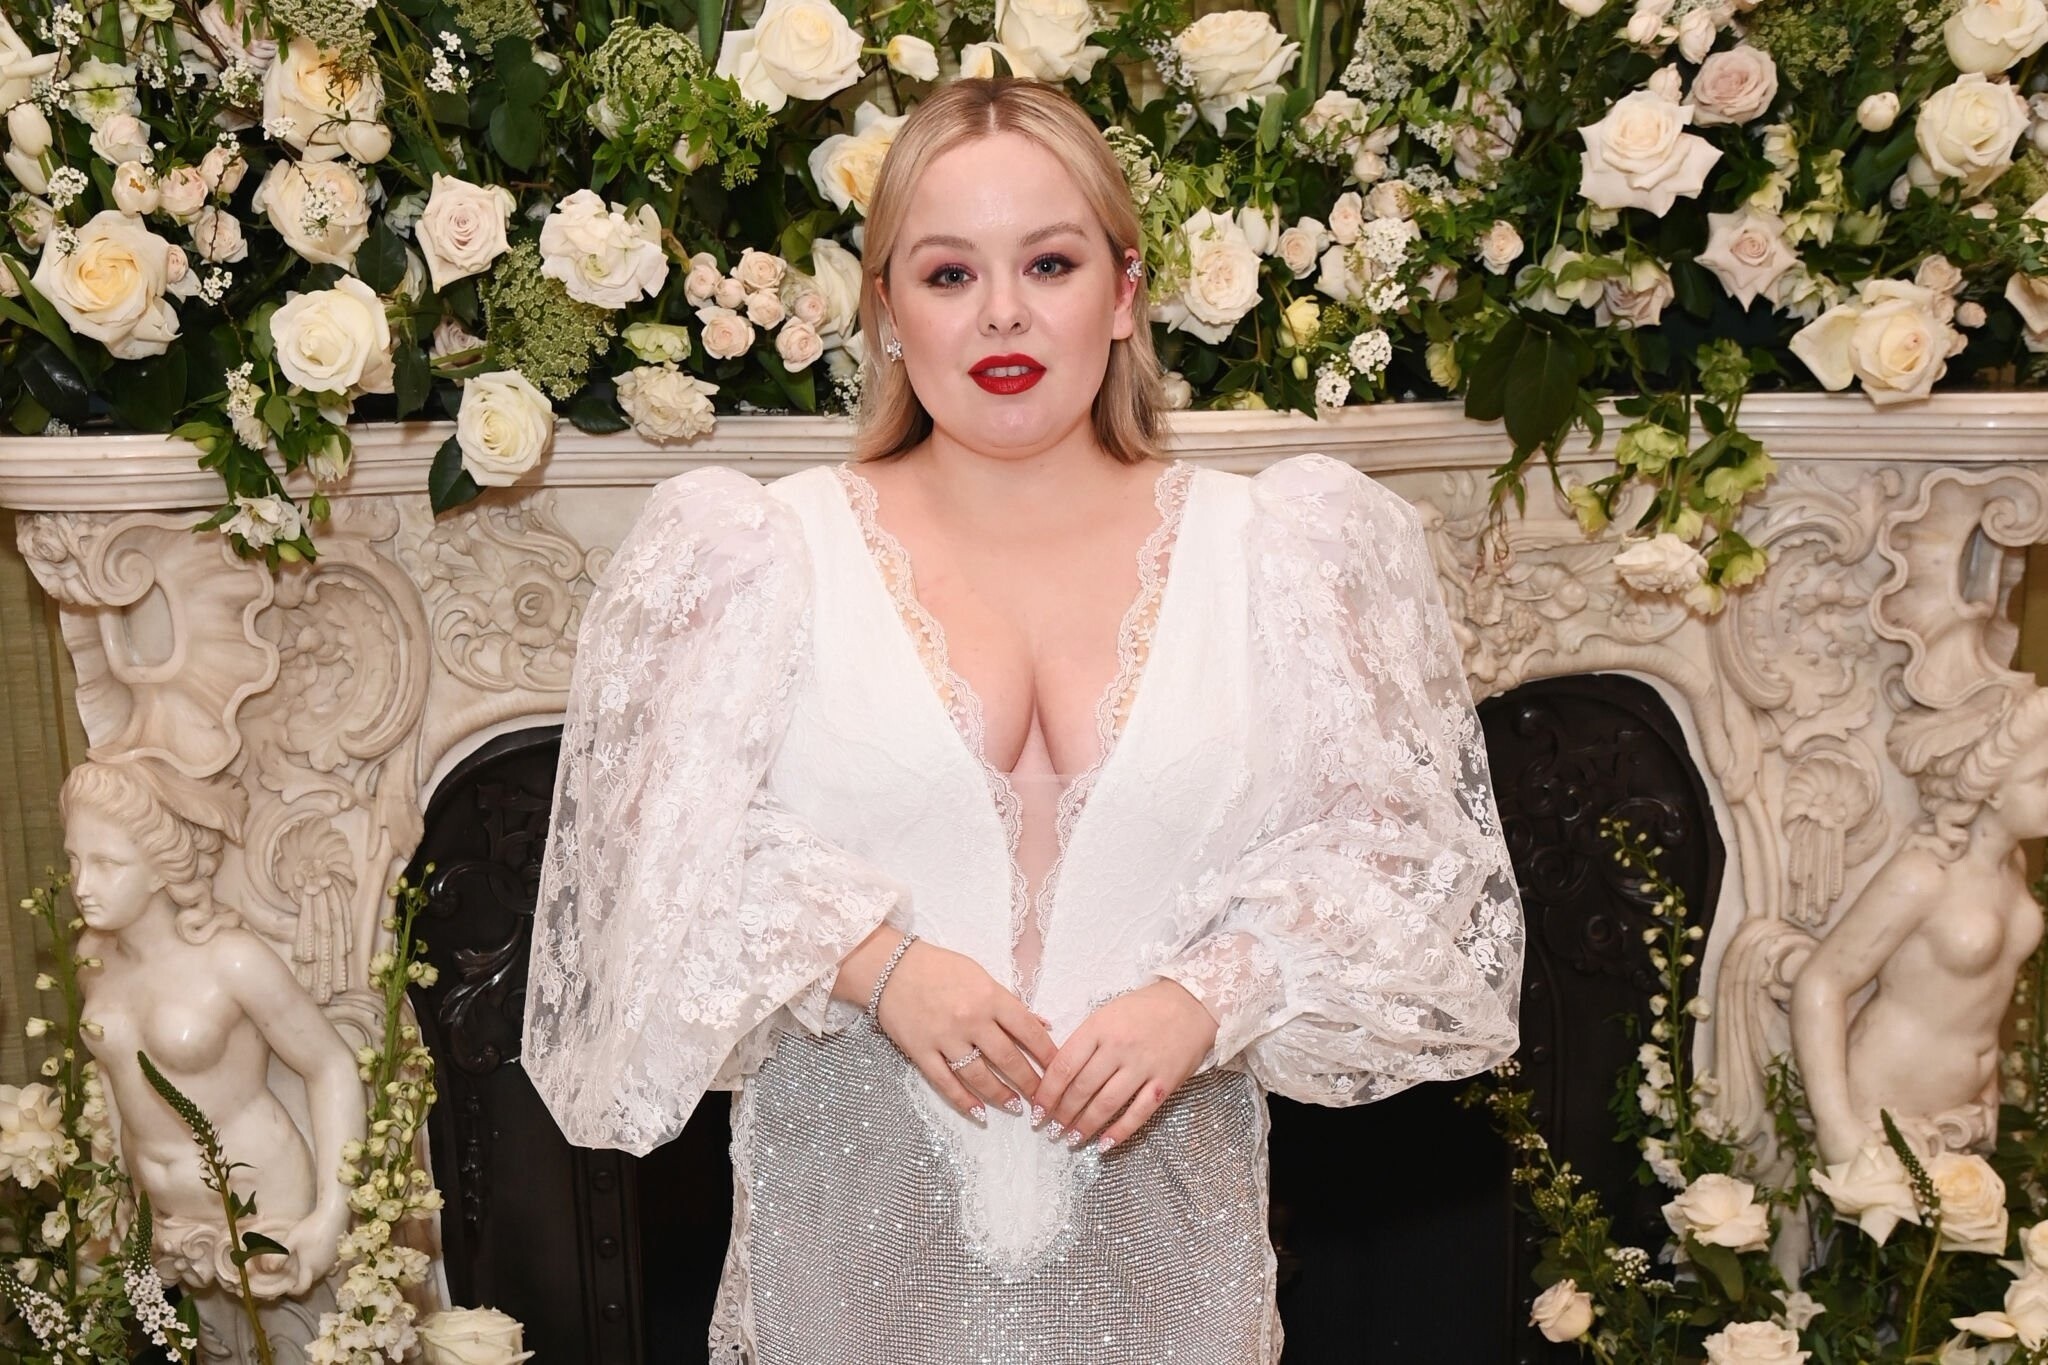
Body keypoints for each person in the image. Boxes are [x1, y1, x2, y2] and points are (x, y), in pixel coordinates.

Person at [522, 76, 1524, 1363]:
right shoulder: (759, 558)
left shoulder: (1281, 553)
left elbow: (1409, 867)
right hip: (851, 1284)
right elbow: (638, 885)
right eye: (948, 274)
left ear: (1123, 292)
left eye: (1048, 263)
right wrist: (876, 966)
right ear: (886, 311)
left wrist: (1207, 995)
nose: (1001, 312)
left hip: (1168, 1288)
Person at [60, 757, 363, 1298]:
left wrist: (332, 1213)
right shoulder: (92, 958)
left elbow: (331, 1065)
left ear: (161, 867)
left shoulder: (231, 960)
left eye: (107, 863)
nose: (82, 885)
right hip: (160, 1217)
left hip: (264, 1206)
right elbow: (111, 1077)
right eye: (74, 860)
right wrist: (118, 1190)